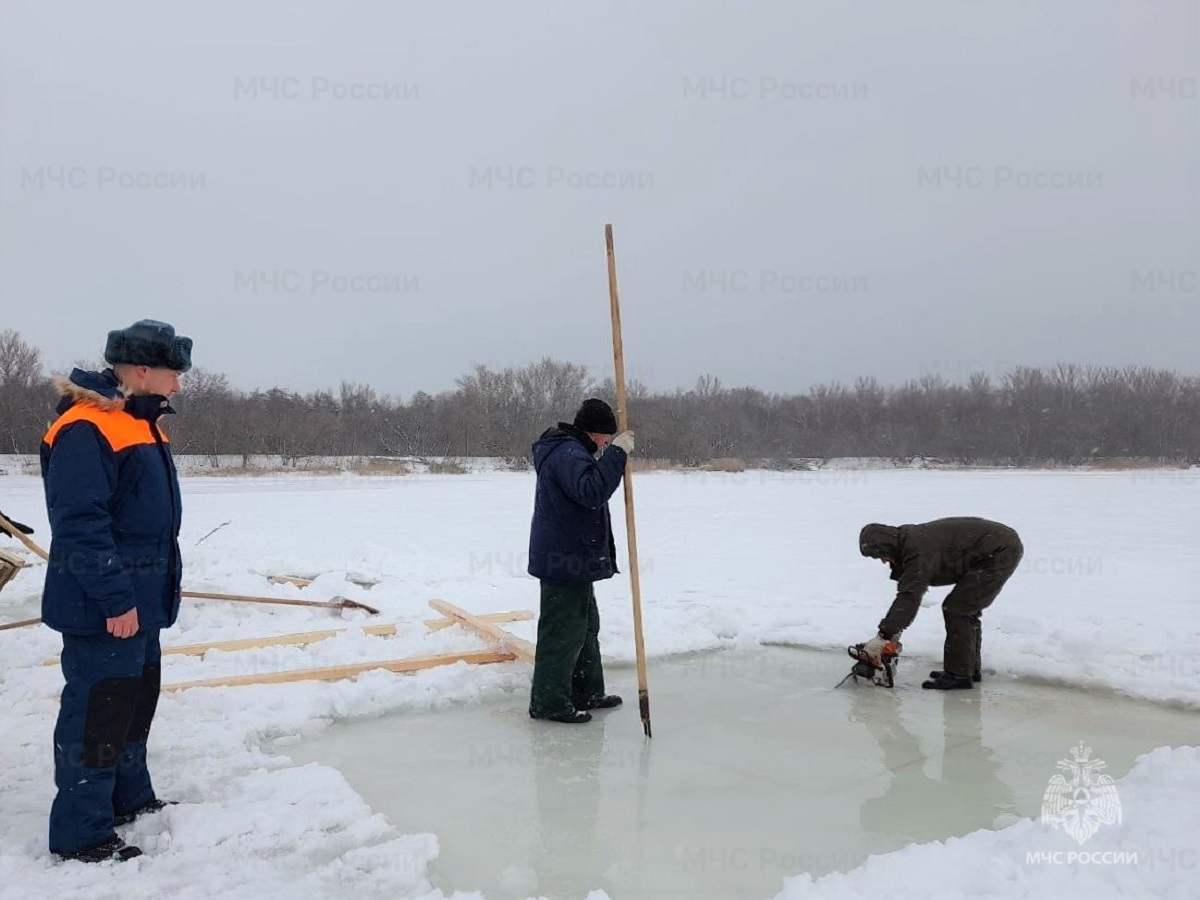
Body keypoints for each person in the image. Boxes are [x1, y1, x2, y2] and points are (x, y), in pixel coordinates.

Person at [41, 319, 191, 862]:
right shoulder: (88, 427)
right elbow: (80, 521)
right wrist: (115, 598)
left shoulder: (142, 423)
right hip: (103, 606)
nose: (178, 386)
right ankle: (82, 836)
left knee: (134, 702)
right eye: (174, 374)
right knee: (98, 715)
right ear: (144, 371)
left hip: (140, 602)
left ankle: (129, 798)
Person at [527, 398, 635, 723]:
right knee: (562, 632)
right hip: (564, 561)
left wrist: (612, 454)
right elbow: (591, 491)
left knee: (586, 627)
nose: (606, 444)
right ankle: (548, 701)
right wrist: (617, 455)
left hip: (573, 559)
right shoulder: (567, 453)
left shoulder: (573, 451)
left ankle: (586, 690)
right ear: (596, 432)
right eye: (606, 438)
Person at [858, 517, 1023, 690]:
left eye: (879, 555)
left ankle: (959, 675)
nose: (883, 561)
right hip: (996, 546)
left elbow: (909, 597)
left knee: (958, 610)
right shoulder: (910, 542)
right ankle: (966, 669)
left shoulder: (917, 551)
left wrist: (884, 635)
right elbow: (909, 590)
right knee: (963, 609)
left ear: (886, 546)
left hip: (999, 551)